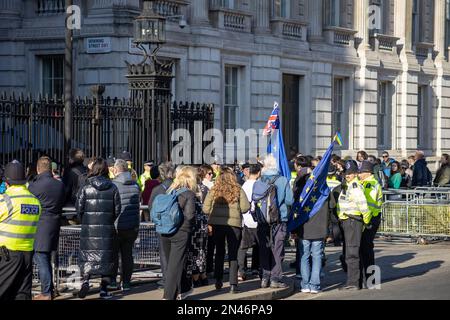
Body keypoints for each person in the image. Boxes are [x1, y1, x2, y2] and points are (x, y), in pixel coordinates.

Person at [76, 158, 121, 300]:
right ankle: (103, 290)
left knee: (87, 257)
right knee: (106, 260)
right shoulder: (113, 187)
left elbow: (79, 208)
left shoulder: (86, 187)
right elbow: (117, 209)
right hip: (107, 229)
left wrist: (85, 220)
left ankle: (85, 281)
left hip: (88, 229)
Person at [203, 167, 250, 294]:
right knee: (233, 254)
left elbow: (205, 209)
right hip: (234, 225)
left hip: (217, 224)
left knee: (219, 252)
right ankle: (233, 284)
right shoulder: (238, 188)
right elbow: (246, 208)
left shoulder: (214, 189)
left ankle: (218, 280)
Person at [0, 160, 42, 300]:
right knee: (22, 294)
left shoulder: (5, 200)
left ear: (7, 182)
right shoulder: (35, 201)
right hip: (27, 256)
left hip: (7, 256)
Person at [28, 156, 65, 300]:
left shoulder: (34, 186)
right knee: (47, 258)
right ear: (50, 169)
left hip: (41, 226)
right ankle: (50, 289)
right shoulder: (59, 185)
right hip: (55, 225)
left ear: (38, 169)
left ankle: (46, 292)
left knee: (41, 258)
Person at [160, 166, 197, 300]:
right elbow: (190, 215)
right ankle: (168, 296)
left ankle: (182, 290)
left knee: (172, 263)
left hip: (165, 230)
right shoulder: (189, 194)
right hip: (180, 232)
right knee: (175, 267)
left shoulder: (170, 190)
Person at [258, 155, 294, 289]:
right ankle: (275, 278)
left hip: (263, 219)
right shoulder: (283, 180)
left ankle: (264, 277)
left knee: (264, 248)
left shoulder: (260, 179)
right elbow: (290, 200)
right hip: (279, 219)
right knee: (277, 249)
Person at [298, 172, 334, 294]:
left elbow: (295, 212)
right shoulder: (324, 191)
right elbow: (332, 207)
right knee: (317, 256)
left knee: (304, 256)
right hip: (320, 228)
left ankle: (305, 284)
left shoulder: (302, 192)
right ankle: (314, 284)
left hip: (304, 229)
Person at [337, 160, 370, 291]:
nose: (347, 175)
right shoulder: (349, 184)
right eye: (346, 173)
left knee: (352, 253)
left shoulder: (354, 185)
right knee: (351, 252)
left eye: (350, 173)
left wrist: (366, 221)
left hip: (352, 221)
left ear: (356, 173)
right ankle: (356, 281)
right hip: (348, 221)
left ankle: (353, 282)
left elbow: (363, 205)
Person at [111, 159, 140, 291]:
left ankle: (112, 281)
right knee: (127, 254)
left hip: (117, 224)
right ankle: (126, 282)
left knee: (114, 254)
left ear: (117, 170)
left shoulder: (113, 185)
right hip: (132, 225)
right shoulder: (135, 185)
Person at [148, 162, 175, 290]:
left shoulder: (157, 189)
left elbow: (150, 207)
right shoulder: (178, 187)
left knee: (164, 254)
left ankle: (166, 280)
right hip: (178, 224)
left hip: (162, 225)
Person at [357, 161, 383, 288]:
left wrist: (366, 221)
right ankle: (367, 279)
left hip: (370, 219)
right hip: (367, 219)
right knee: (363, 249)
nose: (359, 174)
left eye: (361, 172)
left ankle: (371, 279)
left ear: (367, 173)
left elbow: (369, 204)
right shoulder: (364, 183)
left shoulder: (371, 184)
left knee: (366, 249)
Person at [238, 163, 261, 281]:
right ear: (258, 173)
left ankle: (241, 271)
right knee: (259, 245)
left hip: (245, 219)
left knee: (243, 247)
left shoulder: (244, 185)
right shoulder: (259, 185)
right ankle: (256, 268)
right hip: (257, 219)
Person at [198, 165, 215, 277]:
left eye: (212, 173)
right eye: (209, 173)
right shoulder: (203, 188)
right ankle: (206, 269)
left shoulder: (212, 186)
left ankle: (208, 268)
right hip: (206, 220)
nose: (211, 175)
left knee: (210, 246)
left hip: (211, 219)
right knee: (205, 247)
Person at [326, 164, 343, 246]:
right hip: (335, 204)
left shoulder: (324, 182)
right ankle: (337, 241)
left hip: (325, 205)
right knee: (335, 223)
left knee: (326, 222)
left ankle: (326, 239)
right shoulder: (338, 183)